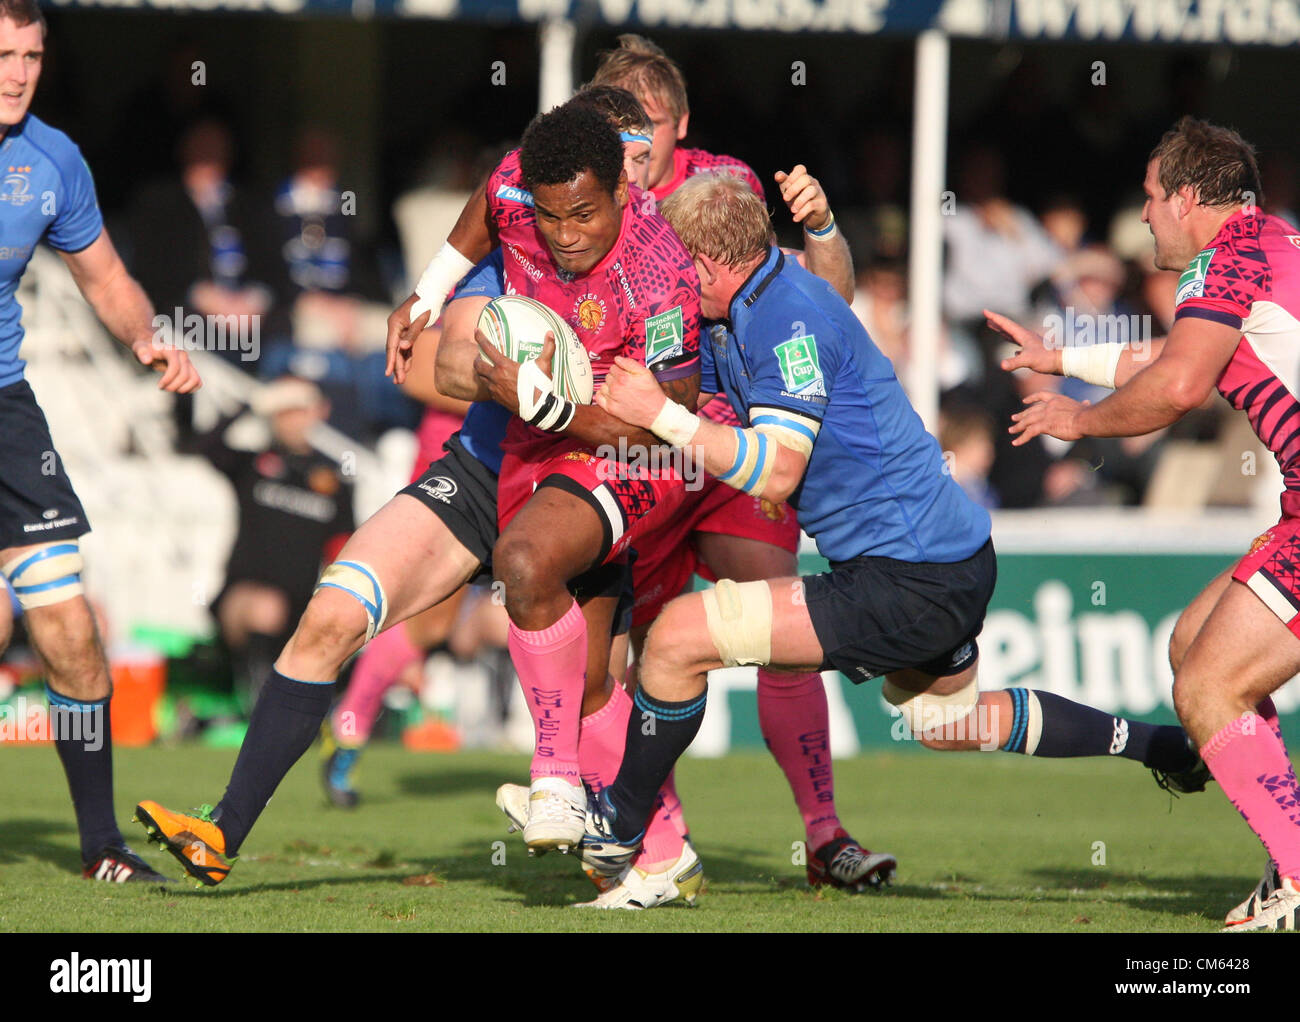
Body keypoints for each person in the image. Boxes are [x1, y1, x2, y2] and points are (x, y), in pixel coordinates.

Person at [578, 172, 1207, 886]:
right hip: (952, 558)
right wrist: (822, 229)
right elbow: (834, 285)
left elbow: (778, 473)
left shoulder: (784, 319)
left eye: (674, 265)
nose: (668, 279)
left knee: (675, 643)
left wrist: (659, 417)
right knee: (949, 726)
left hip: (909, 574)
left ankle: (618, 831)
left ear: (711, 265)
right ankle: (1160, 746)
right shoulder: (766, 288)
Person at [131, 98, 698, 889]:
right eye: (549, 216)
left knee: (574, 646)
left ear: (623, 185)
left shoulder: (658, 269)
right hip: (485, 464)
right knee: (332, 611)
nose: (564, 235)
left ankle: (647, 836)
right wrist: (428, 292)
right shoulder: (514, 197)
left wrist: (554, 404)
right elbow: (452, 338)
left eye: (584, 215)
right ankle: (220, 831)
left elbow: (673, 430)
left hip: (598, 464)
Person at [996, 117, 1300, 931]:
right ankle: (1291, 851)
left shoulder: (1221, 260)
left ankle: (1299, 870)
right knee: (1191, 647)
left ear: (1192, 198)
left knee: (1207, 686)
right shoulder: (1270, 244)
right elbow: (1176, 360)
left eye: (1153, 197)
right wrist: (1058, 358)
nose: (1144, 216)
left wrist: (1078, 421)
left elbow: (1174, 391)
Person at [0, 0, 200, 883]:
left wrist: (148, 339)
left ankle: (100, 849)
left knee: (72, 633)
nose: (16, 72)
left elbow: (104, 275)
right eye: (2, 54)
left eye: (31, 55)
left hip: (6, 410)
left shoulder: (53, 161)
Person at [192, 377, 354, 701]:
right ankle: (256, 704)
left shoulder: (335, 481)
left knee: (342, 623)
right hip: (243, 600)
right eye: (283, 411)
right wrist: (252, 403)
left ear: (319, 412)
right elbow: (205, 445)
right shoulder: (253, 465)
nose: (291, 419)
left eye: (299, 409)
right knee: (267, 608)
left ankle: (328, 714)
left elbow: (342, 546)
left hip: (300, 604)